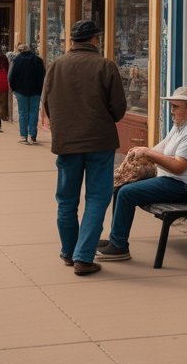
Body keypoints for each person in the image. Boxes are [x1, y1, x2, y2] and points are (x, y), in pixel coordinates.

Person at [41, 19, 127, 276]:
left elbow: (47, 106)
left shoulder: (56, 66)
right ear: (95, 39)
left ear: (72, 41)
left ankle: (69, 251)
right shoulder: (105, 65)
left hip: (67, 143)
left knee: (66, 200)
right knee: (97, 199)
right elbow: (119, 109)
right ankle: (83, 256)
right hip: (99, 141)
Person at [96, 85, 187, 262]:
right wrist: (141, 151)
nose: (171, 111)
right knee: (121, 185)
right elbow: (163, 147)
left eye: (176, 107)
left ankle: (119, 246)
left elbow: (178, 167)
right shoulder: (181, 125)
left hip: (183, 186)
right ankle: (116, 238)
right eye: (171, 106)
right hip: (169, 179)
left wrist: (148, 153)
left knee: (127, 193)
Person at [8, 42, 45, 144]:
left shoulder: (16, 61)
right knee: (34, 112)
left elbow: (11, 77)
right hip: (36, 91)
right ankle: (32, 136)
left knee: (23, 113)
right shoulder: (38, 60)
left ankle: (24, 136)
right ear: (29, 50)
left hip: (20, 91)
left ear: (19, 51)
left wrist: (14, 88)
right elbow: (42, 76)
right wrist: (40, 89)